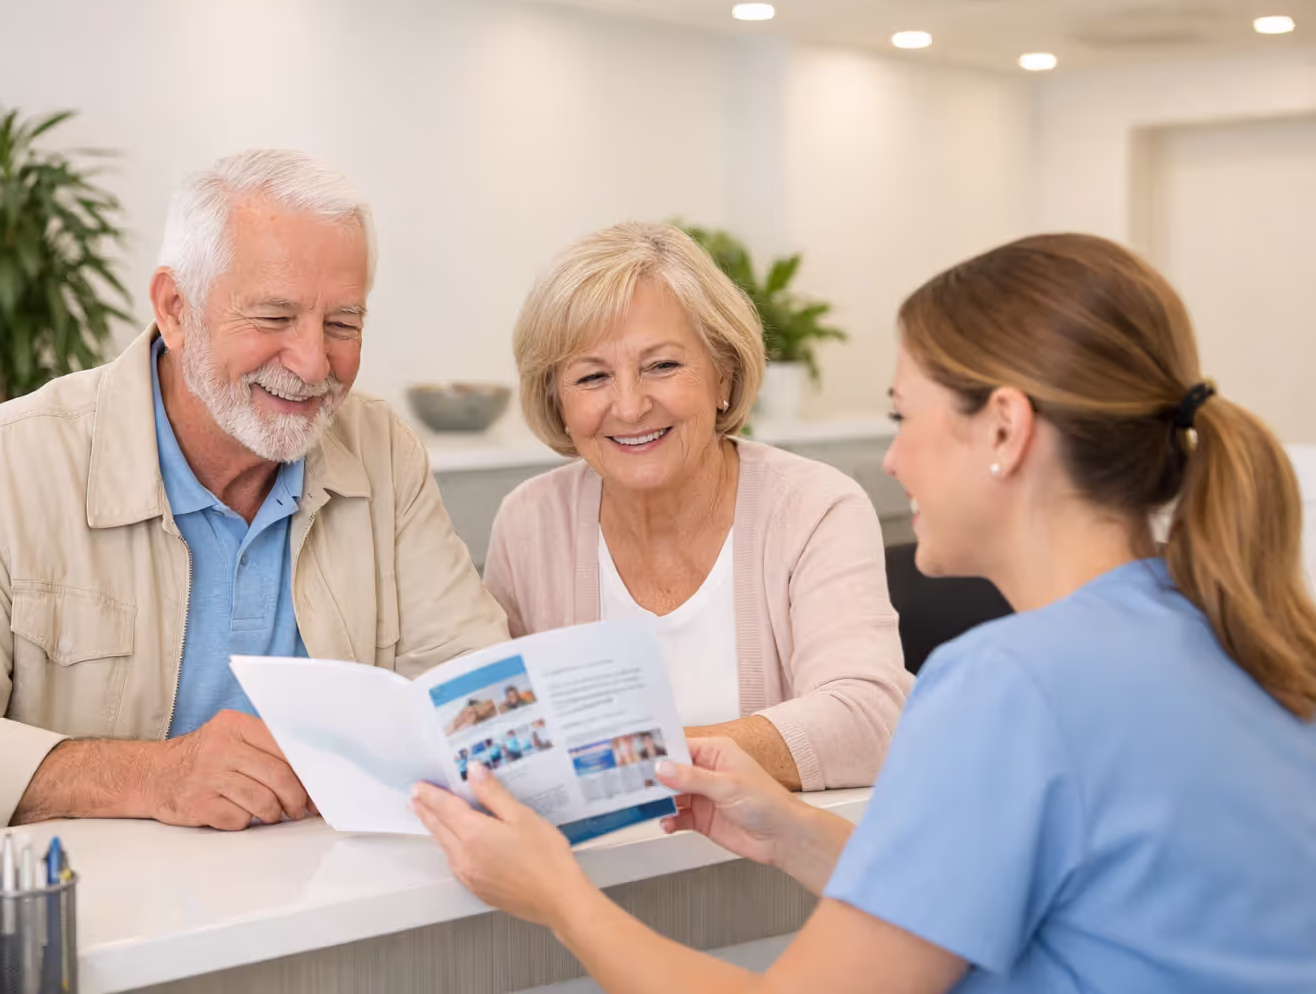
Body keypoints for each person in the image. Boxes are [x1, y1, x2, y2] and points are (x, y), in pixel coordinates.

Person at [411, 234, 1316, 992]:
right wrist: (798, 831)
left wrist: (559, 897)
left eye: (901, 415)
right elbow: (990, 896)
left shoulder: (1007, 688)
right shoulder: (1233, 631)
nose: (891, 462)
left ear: (1003, 430)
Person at [0, 150, 508, 834]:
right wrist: (151, 775)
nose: (313, 363)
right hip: (98, 917)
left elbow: (483, 698)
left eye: (343, 324)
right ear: (175, 309)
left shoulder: (384, 453)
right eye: (274, 318)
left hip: (333, 904)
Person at [485, 222, 909, 790]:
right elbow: (500, 736)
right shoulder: (530, 521)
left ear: (723, 376)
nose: (631, 406)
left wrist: (635, 760)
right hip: (587, 879)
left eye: (662, 365)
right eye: (592, 376)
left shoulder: (814, 508)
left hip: (775, 878)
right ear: (557, 402)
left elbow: (869, 723)